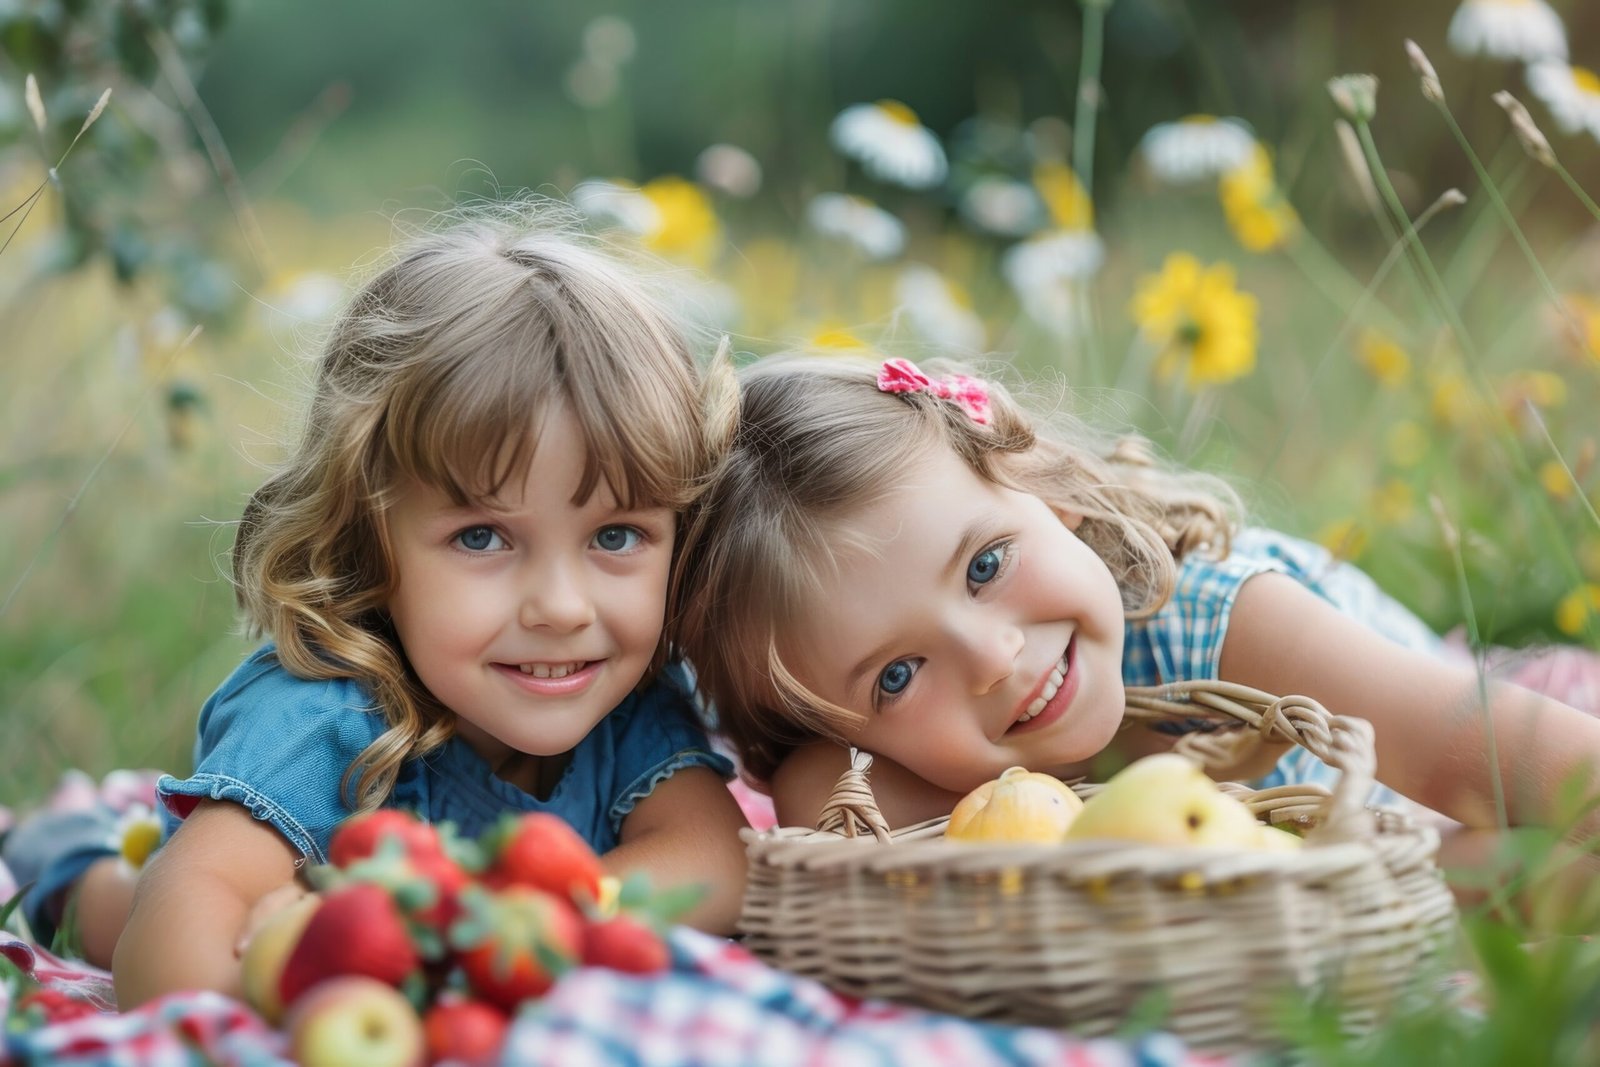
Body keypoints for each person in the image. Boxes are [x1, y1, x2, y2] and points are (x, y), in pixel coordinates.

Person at [7, 205, 752, 1006]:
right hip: (194, 905)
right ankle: (70, 860)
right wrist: (331, 978)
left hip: (432, 911)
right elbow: (166, 963)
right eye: (481, 538)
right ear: (369, 537)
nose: (563, 608)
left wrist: (504, 924)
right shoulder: (324, 716)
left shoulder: (628, 699)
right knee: (125, 894)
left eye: (615, 536)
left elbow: (715, 856)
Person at [671, 353, 1600, 908]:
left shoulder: (1225, 624)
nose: (994, 658)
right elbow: (819, 803)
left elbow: (1538, 776)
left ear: (1044, 486)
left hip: (1440, 726)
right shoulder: (908, 769)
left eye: (986, 564)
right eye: (898, 674)